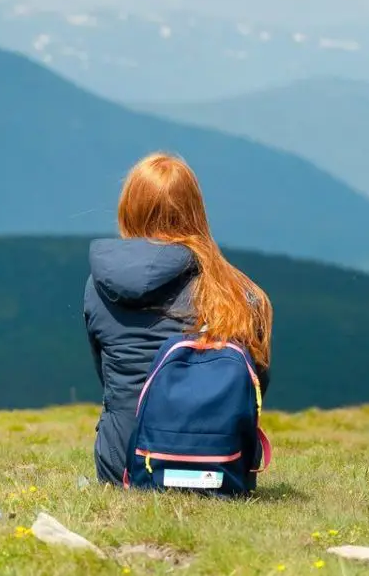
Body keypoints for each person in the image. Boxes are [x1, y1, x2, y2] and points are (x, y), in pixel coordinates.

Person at [82, 151, 273, 486]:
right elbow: (255, 387)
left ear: (129, 208)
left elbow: (109, 383)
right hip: (217, 467)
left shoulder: (99, 286)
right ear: (195, 210)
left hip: (123, 466)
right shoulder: (236, 291)